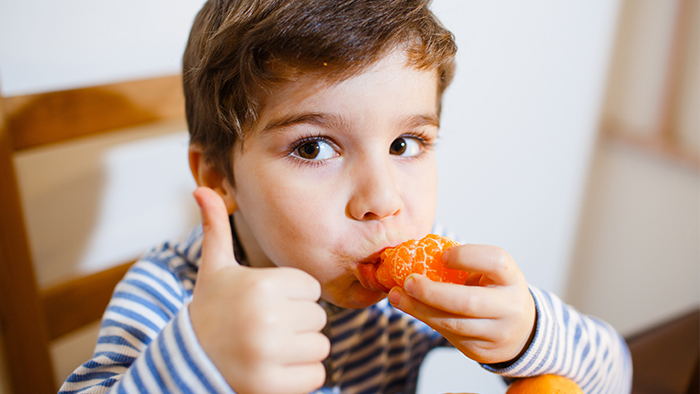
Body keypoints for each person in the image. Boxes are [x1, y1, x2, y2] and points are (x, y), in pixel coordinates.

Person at [60, 0, 632, 393]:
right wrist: (197, 360)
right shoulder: (171, 300)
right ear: (218, 177)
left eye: (406, 142)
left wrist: (527, 334)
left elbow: (619, 374)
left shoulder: (410, 300)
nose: (382, 200)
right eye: (313, 149)